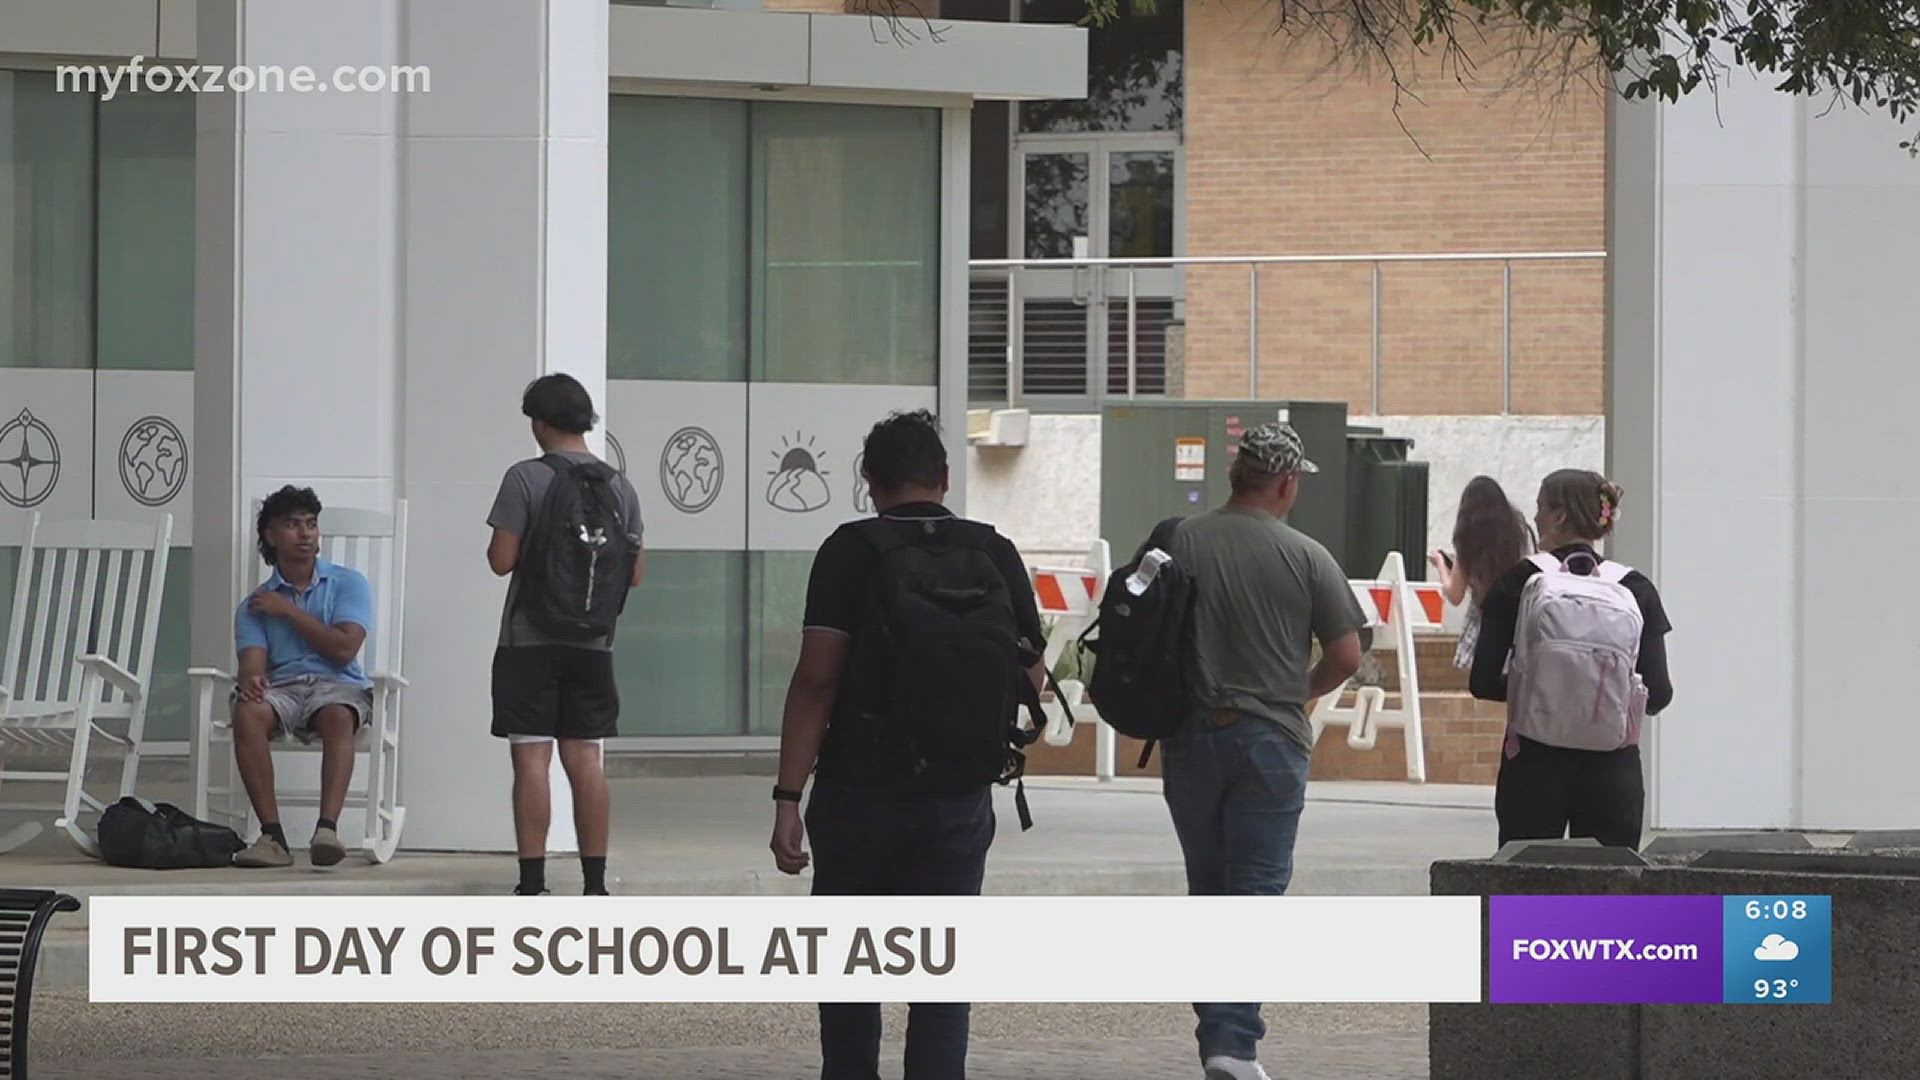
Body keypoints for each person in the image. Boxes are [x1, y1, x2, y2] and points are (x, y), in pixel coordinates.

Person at [769, 409, 1046, 1080]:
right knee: (941, 978)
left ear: (870, 481)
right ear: (945, 478)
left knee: (850, 969)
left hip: (859, 792)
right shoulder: (993, 550)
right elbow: (1032, 673)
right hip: (958, 793)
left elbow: (816, 681)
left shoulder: (851, 551)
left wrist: (786, 798)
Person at [1162, 422, 1368, 1080]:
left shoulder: (1181, 541)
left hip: (1191, 738)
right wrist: (1297, 696)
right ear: (1286, 482)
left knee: (1209, 889)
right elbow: (1346, 655)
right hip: (1271, 741)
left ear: (1234, 477)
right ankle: (1234, 1043)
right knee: (1253, 891)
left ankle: (1217, 1039)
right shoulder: (1307, 555)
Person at [487, 373, 644, 896]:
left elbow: (500, 561)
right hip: (595, 644)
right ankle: (594, 885)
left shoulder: (524, 478)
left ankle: (532, 884)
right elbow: (635, 573)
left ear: (539, 423)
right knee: (586, 759)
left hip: (528, 640)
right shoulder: (620, 486)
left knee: (532, 757)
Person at [1469, 469, 1674, 849]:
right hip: (1614, 770)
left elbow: (1481, 681)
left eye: (1540, 508)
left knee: (1527, 895)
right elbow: (1659, 693)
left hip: (1532, 766)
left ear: (1559, 516)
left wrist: (1541, 690)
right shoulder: (1635, 588)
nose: (1535, 518)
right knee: (1604, 899)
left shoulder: (1518, 581)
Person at [229, 486, 375, 869]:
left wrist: (289, 611)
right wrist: (252, 679)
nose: (306, 533)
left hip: (338, 683)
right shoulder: (255, 605)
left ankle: (326, 829)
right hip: (285, 690)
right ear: (271, 536)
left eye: (311, 524)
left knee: (338, 714)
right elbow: (252, 662)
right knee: (247, 711)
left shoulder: (348, 583)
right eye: (293, 525)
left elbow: (344, 649)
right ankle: (273, 837)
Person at [1429, 475, 1535, 669]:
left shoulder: (1467, 541)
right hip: (1520, 620)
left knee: (1485, 689)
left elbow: (1455, 595)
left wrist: (1441, 565)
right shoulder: (1520, 534)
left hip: (1486, 623)